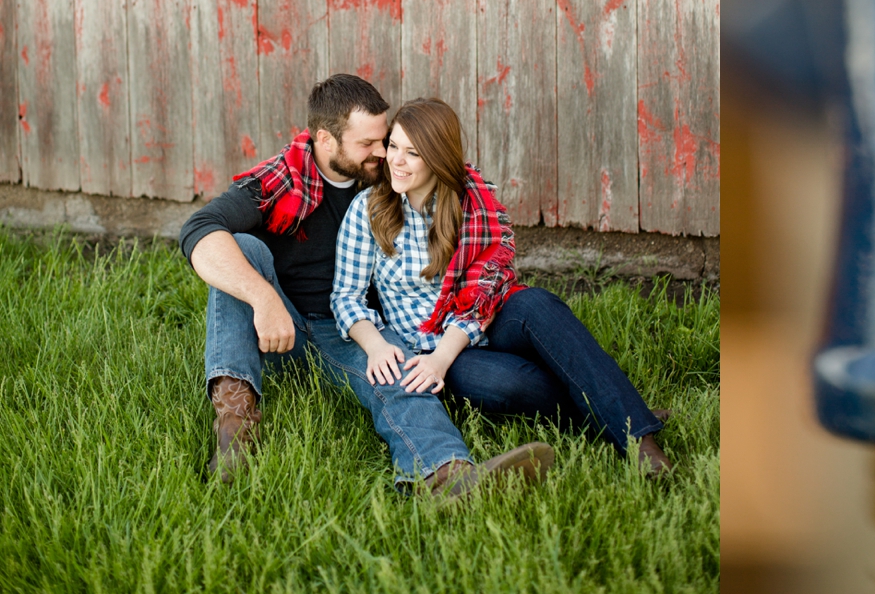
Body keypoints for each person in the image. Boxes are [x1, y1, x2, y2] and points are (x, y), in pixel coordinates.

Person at [181, 73, 552, 497]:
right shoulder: (280, 180)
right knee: (240, 248)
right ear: (325, 139)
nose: (383, 153)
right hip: (276, 332)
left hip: (349, 327)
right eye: (369, 144)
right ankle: (235, 435)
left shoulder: (387, 175)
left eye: (386, 139)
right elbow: (198, 229)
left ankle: (444, 476)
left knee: (396, 373)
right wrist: (264, 299)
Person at [331, 98, 672, 474]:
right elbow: (346, 296)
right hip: (429, 348)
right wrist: (378, 346)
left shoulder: (474, 202)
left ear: (438, 157)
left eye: (412, 153)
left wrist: (445, 354)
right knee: (508, 382)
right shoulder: (369, 210)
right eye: (393, 146)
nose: (395, 160)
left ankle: (642, 443)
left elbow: (489, 285)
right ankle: (614, 409)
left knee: (538, 305)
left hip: (486, 318)